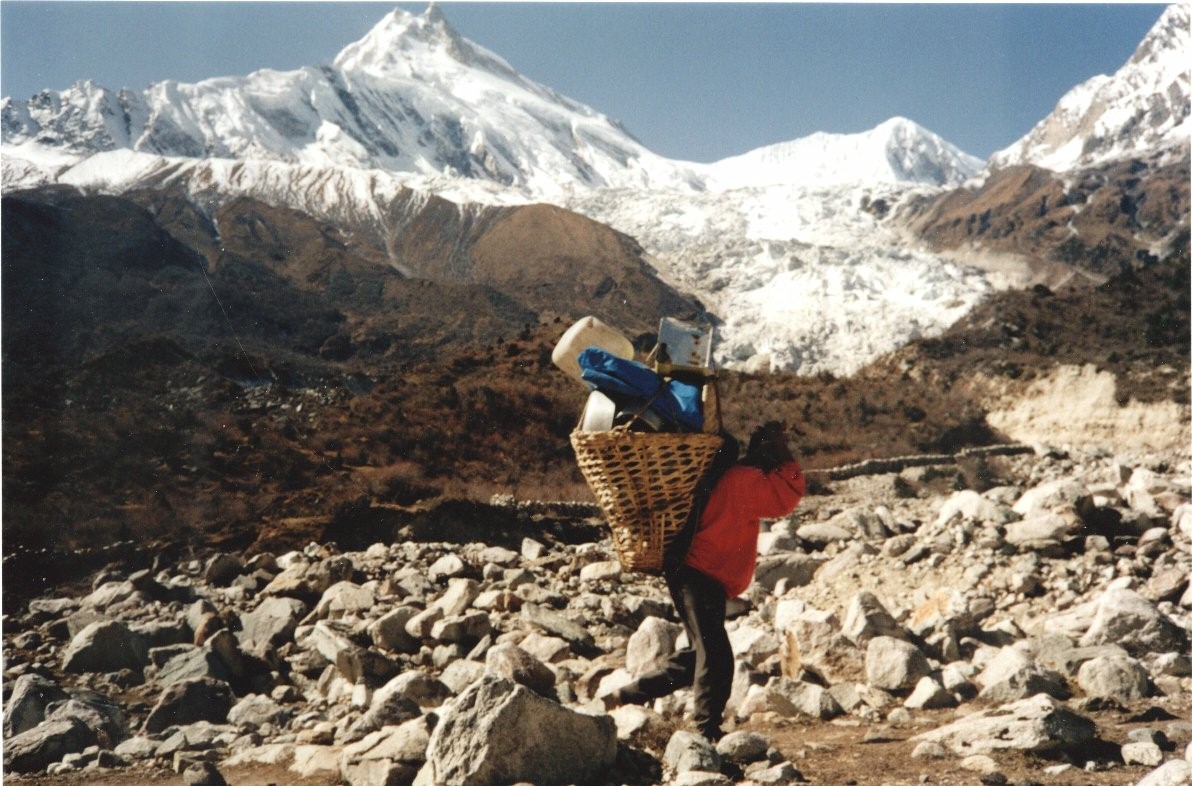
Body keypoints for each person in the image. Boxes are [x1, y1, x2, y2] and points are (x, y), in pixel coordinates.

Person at [604, 421, 806, 740]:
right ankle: (705, 730)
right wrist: (787, 459)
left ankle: (627, 696)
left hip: (690, 573)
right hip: (700, 575)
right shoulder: (744, 480)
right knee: (716, 654)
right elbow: (785, 498)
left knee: (699, 652)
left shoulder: (728, 478)